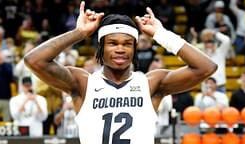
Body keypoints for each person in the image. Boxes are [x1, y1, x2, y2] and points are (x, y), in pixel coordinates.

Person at [24, 1, 217, 144]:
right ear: (101, 47)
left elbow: (206, 67)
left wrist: (161, 35)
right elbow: (34, 60)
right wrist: (79, 33)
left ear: (134, 49)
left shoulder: (151, 83)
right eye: (112, 43)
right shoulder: (83, 83)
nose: (120, 49)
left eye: (127, 44)